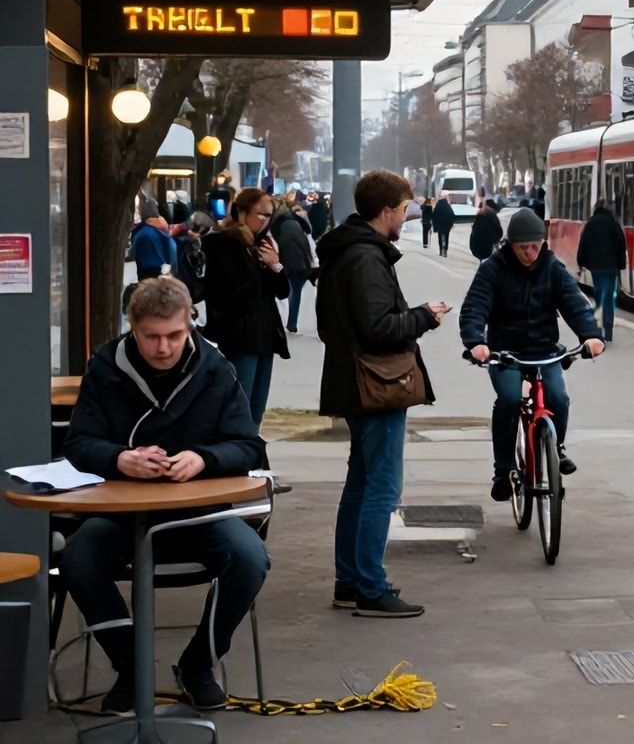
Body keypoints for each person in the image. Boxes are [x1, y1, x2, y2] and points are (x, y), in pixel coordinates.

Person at [62, 277, 269, 714]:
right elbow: (78, 444)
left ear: (190, 322)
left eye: (175, 335)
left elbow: (249, 446)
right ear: (132, 328)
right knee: (77, 556)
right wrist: (120, 459)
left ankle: (198, 665)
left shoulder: (215, 368)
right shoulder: (104, 367)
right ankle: (130, 667)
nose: (163, 348)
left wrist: (203, 458)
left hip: (198, 513)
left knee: (250, 558)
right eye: (151, 337)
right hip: (121, 515)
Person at [315, 171, 449, 618]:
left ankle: (350, 581)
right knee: (382, 488)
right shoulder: (367, 258)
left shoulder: (346, 250)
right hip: (375, 384)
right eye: (405, 209)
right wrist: (424, 317)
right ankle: (370, 587)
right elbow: (378, 327)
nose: (408, 217)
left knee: (360, 483)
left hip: (352, 381)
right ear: (387, 210)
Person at [459, 207, 604, 502]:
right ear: (510, 245)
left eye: (535, 246)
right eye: (523, 247)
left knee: (558, 398)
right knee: (510, 399)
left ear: (543, 243)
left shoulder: (551, 267)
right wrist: (476, 342)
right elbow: (475, 306)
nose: (530, 253)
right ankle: (503, 471)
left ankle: (556, 447)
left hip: (544, 349)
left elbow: (574, 303)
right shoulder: (493, 269)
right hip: (505, 352)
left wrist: (591, 335)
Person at [201, 188, 289, 425]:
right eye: (261, 214)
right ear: (242, 212)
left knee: (257, 408)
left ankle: (250, 443)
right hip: (240, 337)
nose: (265, 222)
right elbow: (238, 294)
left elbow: (282, 291)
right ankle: (237, 445)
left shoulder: (263, 245)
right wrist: (256, 265)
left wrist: (275, 266)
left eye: (270, 216)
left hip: (265, 336)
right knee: (240, 405)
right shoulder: (223, 245)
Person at [576, 200, 627, 340]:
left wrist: (581, 263)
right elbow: (621, 244)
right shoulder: (613, 223)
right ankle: (608, 331)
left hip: (596, 267)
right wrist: (621, 264)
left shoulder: (591, 224)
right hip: (611, 267)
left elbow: (583, 244)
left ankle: (597, 325)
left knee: (599, 292)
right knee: (609, 296)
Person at [275, 200, 316, 334]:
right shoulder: (297, 223)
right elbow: (308, 235)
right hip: (301, 263)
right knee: (296, 291)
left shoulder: (278, 225)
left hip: (287, 264)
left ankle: (290, 322)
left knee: (293, 290)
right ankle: (292, 323)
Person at [129, 199, 178, 283]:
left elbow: (132, 253)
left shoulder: (140, 232)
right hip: (161, 269)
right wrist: (172, 268)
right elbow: (172, 247)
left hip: (144, 271)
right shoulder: (162, 228)